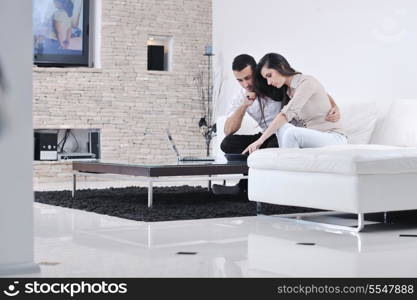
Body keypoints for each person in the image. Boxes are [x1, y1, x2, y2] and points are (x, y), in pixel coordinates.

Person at [212, 54, 341, 195]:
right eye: (240, 80)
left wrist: (335, 106)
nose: (245, 84)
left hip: (282, 134)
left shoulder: (275, 82)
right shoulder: (244, 94)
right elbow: (228, 130)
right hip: (266, 135)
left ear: (256, 72)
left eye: (248, 78)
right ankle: (252, 184)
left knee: (272, 144)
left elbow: (311, 89)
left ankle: (245, 187)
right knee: (228, 144)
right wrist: (244, 106)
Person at [243, 53, 347, 155]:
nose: (269, 82)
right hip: (314, 136)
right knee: (282, 127)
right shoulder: (289, 90)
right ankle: (290, 163)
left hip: (333, 137)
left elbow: (286, 114)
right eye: (266, 78)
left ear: (281, 66)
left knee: (291, 134)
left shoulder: (306, 82)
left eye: (269, 76)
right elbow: (323, 94)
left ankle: (289, 167)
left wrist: (260, 141)